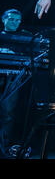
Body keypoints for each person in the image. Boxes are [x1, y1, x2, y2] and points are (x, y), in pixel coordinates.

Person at [0, 9, 30, 157]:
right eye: (12, 19)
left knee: (8, 113)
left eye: (18, 20)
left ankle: (3, 148)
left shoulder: (24, 38)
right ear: (3, 19)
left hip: (13, 79)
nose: (15, 23)